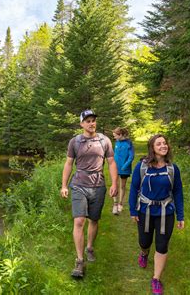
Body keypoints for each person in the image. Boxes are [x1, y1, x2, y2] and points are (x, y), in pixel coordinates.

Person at [60, 110, 118, 278]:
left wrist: (114, 183)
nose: (91, 123)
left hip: (98, 186)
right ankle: (79, 261)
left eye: (93, 120)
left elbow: (111, 162)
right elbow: (69, 163)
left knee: (94, 219)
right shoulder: (75, 142)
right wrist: (64, 185)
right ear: (81, 124)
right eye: (88, 121)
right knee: (79, 221)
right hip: (78, 185)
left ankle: (90, 247)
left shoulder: (104, 141)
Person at [128, 134, 184, 294]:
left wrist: (180, 216)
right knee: (144, 241)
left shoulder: (173, 169)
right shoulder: (142, 166)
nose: (163, 146)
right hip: (145, 210)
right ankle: (144, 253)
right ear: (152, 148)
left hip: (166, 211)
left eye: (165, 143)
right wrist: (133, 210)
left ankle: (156, 279)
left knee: (162, 244)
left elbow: (178, 192)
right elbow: (134, 188)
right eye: (159, 144)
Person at [112, 127, 134, 215]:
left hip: (125, 168)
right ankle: (115, 204)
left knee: (122, 186)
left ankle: (120, 203)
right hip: (115, 167)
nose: (114, 137)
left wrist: (125, 166)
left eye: (115, 136)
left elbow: (131, 156)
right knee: (115, 185)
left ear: (120, 135)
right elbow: (115, 154)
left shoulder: (129, 143)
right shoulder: (117, 142)